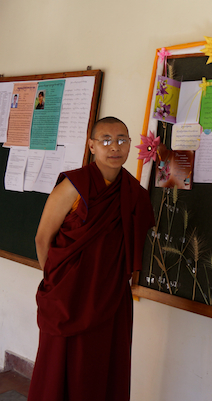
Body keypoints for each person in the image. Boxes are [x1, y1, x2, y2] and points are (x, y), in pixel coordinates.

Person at [28, 117, 155, 401]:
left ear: (130, 145)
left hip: (110, 296)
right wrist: (56, 282)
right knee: (59, 365)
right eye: (106, 140)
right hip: (68, 296)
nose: (114, 147)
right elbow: (42, 238)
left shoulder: (133, 193)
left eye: (122, 140)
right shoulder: (74, 186)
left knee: (103, 364)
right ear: (92, 146)